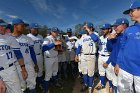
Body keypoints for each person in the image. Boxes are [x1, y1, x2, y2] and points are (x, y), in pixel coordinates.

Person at [114, 1, 140, 93]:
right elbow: (122, 48)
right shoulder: (128, 30)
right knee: (123, 90)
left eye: (131, 11)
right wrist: (118, 63)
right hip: (125, 68)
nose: (129, 14)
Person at [0, 19, 27, 93]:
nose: (3, 28)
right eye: (0, 26)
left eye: (4, 26)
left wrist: (23, 69)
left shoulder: (10, 38)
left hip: (10, 70)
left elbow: (18, 54)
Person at [12, 18, 38, 93]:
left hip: (28, 64)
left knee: (32, 84)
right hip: (16, 65)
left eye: (24, 26)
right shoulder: (8, 38)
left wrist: (35, 63)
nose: (24, 28)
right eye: (22, 26)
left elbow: (32, 52)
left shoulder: (28, 38)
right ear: (15, 26)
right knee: (21, 86)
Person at [104, 18, 129, 93]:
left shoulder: (128, 36)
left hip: (124, 67)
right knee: (115, 84)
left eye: (116, 26)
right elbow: (110, 49)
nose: (114, 28)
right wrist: (109, 39)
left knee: (124, 88)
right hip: (114, 64)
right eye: (114, 26)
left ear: (124, 25)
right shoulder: (115, 36)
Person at [76, 22, 98, 93]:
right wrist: (76, 54)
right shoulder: (83, 36)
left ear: (91, 28)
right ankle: (85, 84)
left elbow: (95, 39)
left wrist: (89, 30)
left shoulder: (95, 34)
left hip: (91, 55)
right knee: (84, 72)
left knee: (90, 73)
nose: (85, 29)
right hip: (83, 55)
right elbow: (79, 46)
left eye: (87, 28)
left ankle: (90, 87)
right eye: (85, 28)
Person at [42, 27, 62, 93]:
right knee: (48, 75)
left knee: (55, 72)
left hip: (55, 57)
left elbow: (55, 48)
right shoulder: (47, 38)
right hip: (49, 59)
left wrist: (59, 50)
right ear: (51, 32)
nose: (56, 33)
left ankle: (55, 84)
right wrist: (54, 44)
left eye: (57, 32)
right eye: (55, 32)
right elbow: (44, 48)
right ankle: (45, 90)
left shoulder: (55, 38)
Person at [96, 24, 113, 93]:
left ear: (109, 29)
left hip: (108, 57)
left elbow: (114, 51)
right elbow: (97, 47)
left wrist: (108, 62)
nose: (103, 30)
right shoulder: (100, 38)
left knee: (109, 74)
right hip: (100, 56)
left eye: (105, 29)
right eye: (102, 29)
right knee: (101, 72)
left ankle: (111, 86)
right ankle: (102, 84)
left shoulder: (112, 37)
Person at [27, 23, 44, 89]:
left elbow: (42, 45)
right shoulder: (28, 36)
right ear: (30, 29)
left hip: (40, 55)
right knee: (32, 71)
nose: (36, 29)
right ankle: (33, 85)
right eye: (35, 28)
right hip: (31, 56)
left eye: (37, 28)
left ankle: (39, 84)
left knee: (40, 70)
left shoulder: (40, 36)